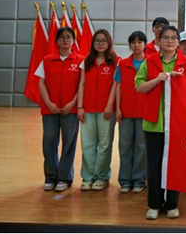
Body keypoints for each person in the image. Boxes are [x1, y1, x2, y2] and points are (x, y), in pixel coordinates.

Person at [135, 25, 186, 220]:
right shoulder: (150, 61)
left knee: (174, 165)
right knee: (154, 165)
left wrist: (181, 83)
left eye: (173, 38)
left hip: (176, 124)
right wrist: (156, 80)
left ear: (178, 42)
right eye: (165, 38)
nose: (169, 41)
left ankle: (172, 204)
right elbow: (139, 87)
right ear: (159, 41)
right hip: (154, 122)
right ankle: (154, 204)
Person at [36, 27, 84, 192]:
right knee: (49, 141)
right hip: (50, 108)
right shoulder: (47, 60)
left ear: (73, 41)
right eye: (62, 37)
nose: (65, 40)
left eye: (69, 37)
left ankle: (65, 177)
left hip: (70, 110)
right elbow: (41, 83)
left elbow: (82, 85)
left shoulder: (80, 61)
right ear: (57, 41)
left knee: (69, 143)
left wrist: (73, 103)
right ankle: (51, 176)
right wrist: (48, 102)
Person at [77, 29, 119, 191]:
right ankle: (88, 176)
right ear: (93, 43)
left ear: (109, 42)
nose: (100, 43)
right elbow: (82, 84)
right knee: (87, 144)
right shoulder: (87, 61)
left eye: (103, 40)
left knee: (105, 144)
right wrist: (80, 106)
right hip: (87, 109)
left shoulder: (116, 61)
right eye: (97, 41)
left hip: (106, 110)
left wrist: (109, 105)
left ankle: (102, 176)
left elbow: (116, 85)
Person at [115, 31, 148, 194]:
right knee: (125, 146)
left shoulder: (150, 63)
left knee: (142, 147)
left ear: (145, 44)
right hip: (126, 111)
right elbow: (118, 86)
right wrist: (118, 108)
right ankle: (125, 180)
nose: (136, 45)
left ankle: (139, 180)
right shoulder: (122, 64)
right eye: (133, 42)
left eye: (139, 42)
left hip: (144, 112)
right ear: (129, 45)